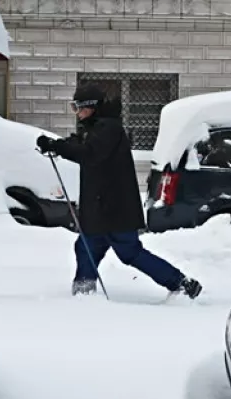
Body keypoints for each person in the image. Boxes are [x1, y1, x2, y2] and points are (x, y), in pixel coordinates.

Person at [36, 83, 203, 299]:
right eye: (73, 107)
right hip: (101, 209)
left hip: (114, 209)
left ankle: (181, 283)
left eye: (79, 107)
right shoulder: (98, 128)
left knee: (128, 252)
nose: (77, 113)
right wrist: (55, 143)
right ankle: (83, 294)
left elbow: (89, 153)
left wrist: (57, 147)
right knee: (87, 248)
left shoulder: (109, 129)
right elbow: (80, 143)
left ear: (92, 107)